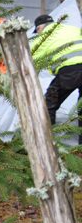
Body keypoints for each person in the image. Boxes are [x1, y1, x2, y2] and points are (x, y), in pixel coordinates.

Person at [33, 14, 82, 142]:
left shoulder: (43, 37)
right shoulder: (72, 28)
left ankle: (46, 142)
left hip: (69, 71)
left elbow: (32, 64)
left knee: (49, 105)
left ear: (39, 28)